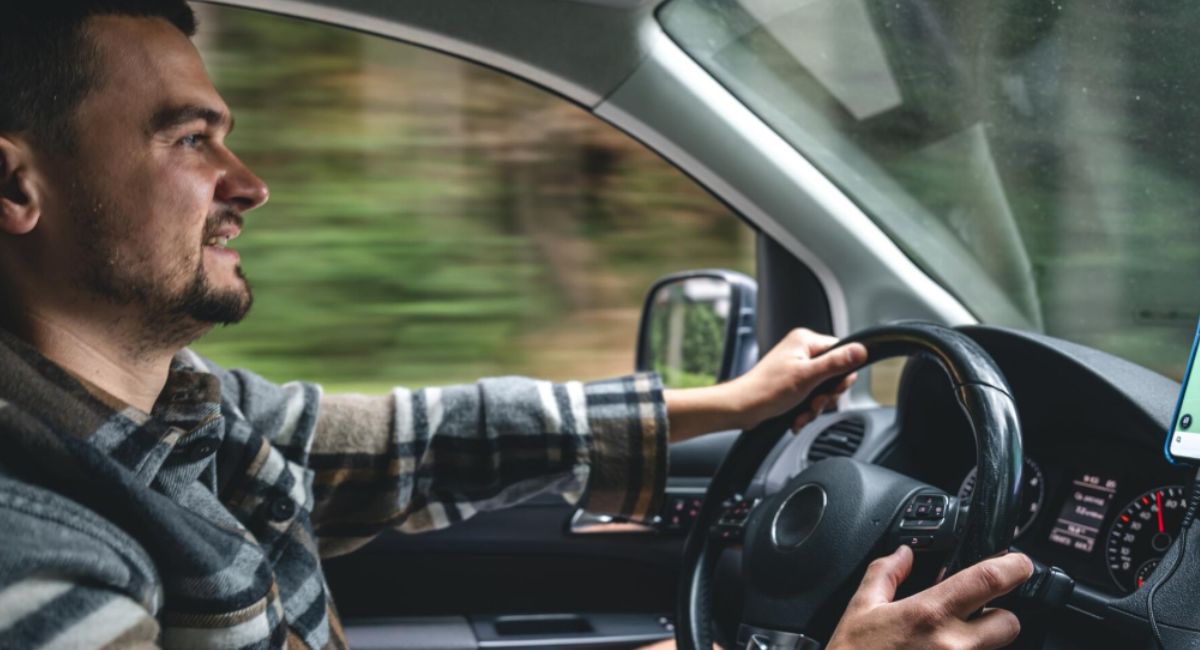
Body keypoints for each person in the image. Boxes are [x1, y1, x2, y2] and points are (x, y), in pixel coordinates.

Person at [0, 2, 1032, 648]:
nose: (250, 184)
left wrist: (727, 403)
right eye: (190, 138)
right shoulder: (35, 554)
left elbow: (422, 443)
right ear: (16, 186)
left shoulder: (183, 413)